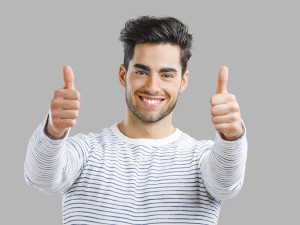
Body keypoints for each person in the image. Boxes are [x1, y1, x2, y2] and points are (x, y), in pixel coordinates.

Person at [24, 16, 247, 225]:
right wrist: (53, 130)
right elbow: (41, 179)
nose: (152, 86)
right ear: (123, 75)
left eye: (167, 75)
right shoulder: (85, 151)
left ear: (183, 81)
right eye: (142, 72)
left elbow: (226, 186)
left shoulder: (202, 158)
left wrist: (231, 137)